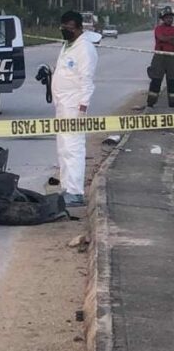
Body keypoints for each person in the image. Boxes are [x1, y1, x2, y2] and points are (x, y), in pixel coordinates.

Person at [51, 11, 98, 207]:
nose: (65, 31)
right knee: (63, 147)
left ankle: (75, 192)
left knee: (73, 148)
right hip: (62, 104)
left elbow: (87, 82)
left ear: (79, 28)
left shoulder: (85, 49)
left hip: (74, 106)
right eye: (63, 27)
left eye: (69, 28)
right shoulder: (68, 45)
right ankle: (66, 187)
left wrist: (82, 108)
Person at [147, 6, 174, 108]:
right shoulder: (158, 29)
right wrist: (170, 39)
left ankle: (172, 104)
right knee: (156, 80)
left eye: (171, 17)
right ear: (163, 18)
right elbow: (161, 37)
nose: (170, 19)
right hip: (159, 57)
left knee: (172, 81)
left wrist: (167, 39)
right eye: (167, 17)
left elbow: (164, 39)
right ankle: (151, 103)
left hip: (172, 58)